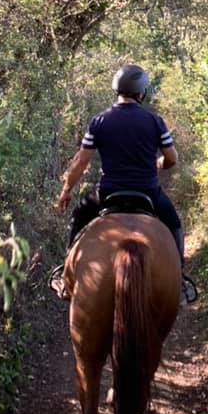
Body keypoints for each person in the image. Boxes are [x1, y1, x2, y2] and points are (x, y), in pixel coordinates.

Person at [52, 64, 195, 304]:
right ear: (142, 93)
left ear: (116, 90)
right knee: (173, 222)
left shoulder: (99, 121)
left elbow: (81, 162)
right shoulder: (155, 121)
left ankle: (65, 272)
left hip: (108, 193)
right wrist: (160, 164)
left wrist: (66, 190)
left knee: (79, 216)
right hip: (148, 193)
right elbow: (173, 159)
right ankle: (179, 277)